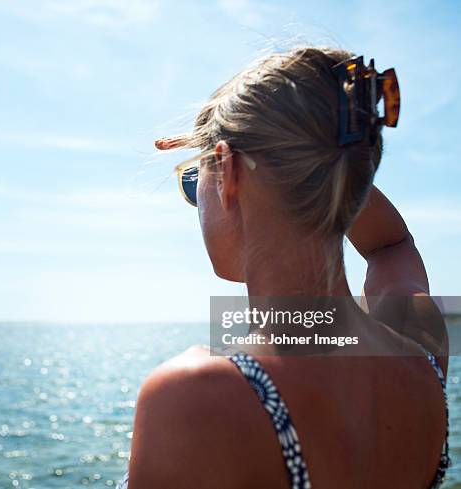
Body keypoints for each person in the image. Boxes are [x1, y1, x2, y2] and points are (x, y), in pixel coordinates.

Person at [117, 46, 450, 489]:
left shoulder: (199, 395)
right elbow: (392, 245)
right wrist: (335, 167)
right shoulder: (422, 351)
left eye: (196, 180)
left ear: (230, 172)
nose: (197, 201)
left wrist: (326, 162)